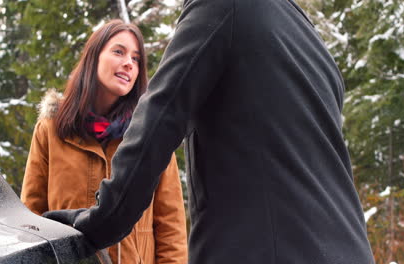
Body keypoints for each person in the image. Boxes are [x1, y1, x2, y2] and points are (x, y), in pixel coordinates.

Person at [44, 0, 375, 263]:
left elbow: (161, 114)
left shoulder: (223, 6)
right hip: (349, 248)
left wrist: (102, 222)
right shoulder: (311, 41)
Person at [21, 20, 188, 264]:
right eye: (119, 52)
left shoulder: (151, 135)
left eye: (136, 58)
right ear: (93, 58)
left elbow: (171, 227)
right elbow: (31, 218)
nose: (129, 63)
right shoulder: (50, 129)